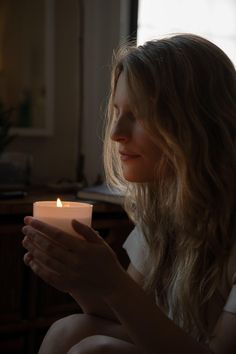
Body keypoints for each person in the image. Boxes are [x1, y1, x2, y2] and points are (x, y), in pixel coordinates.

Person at [22, 33, 236, 354]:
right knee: (68, 329)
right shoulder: (163, 212)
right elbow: (129, 315)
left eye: (137, 116)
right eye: (118, 112)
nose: (115, 133)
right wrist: (80, 280)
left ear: (194, 123)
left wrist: (111, 281)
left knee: (95, 350)